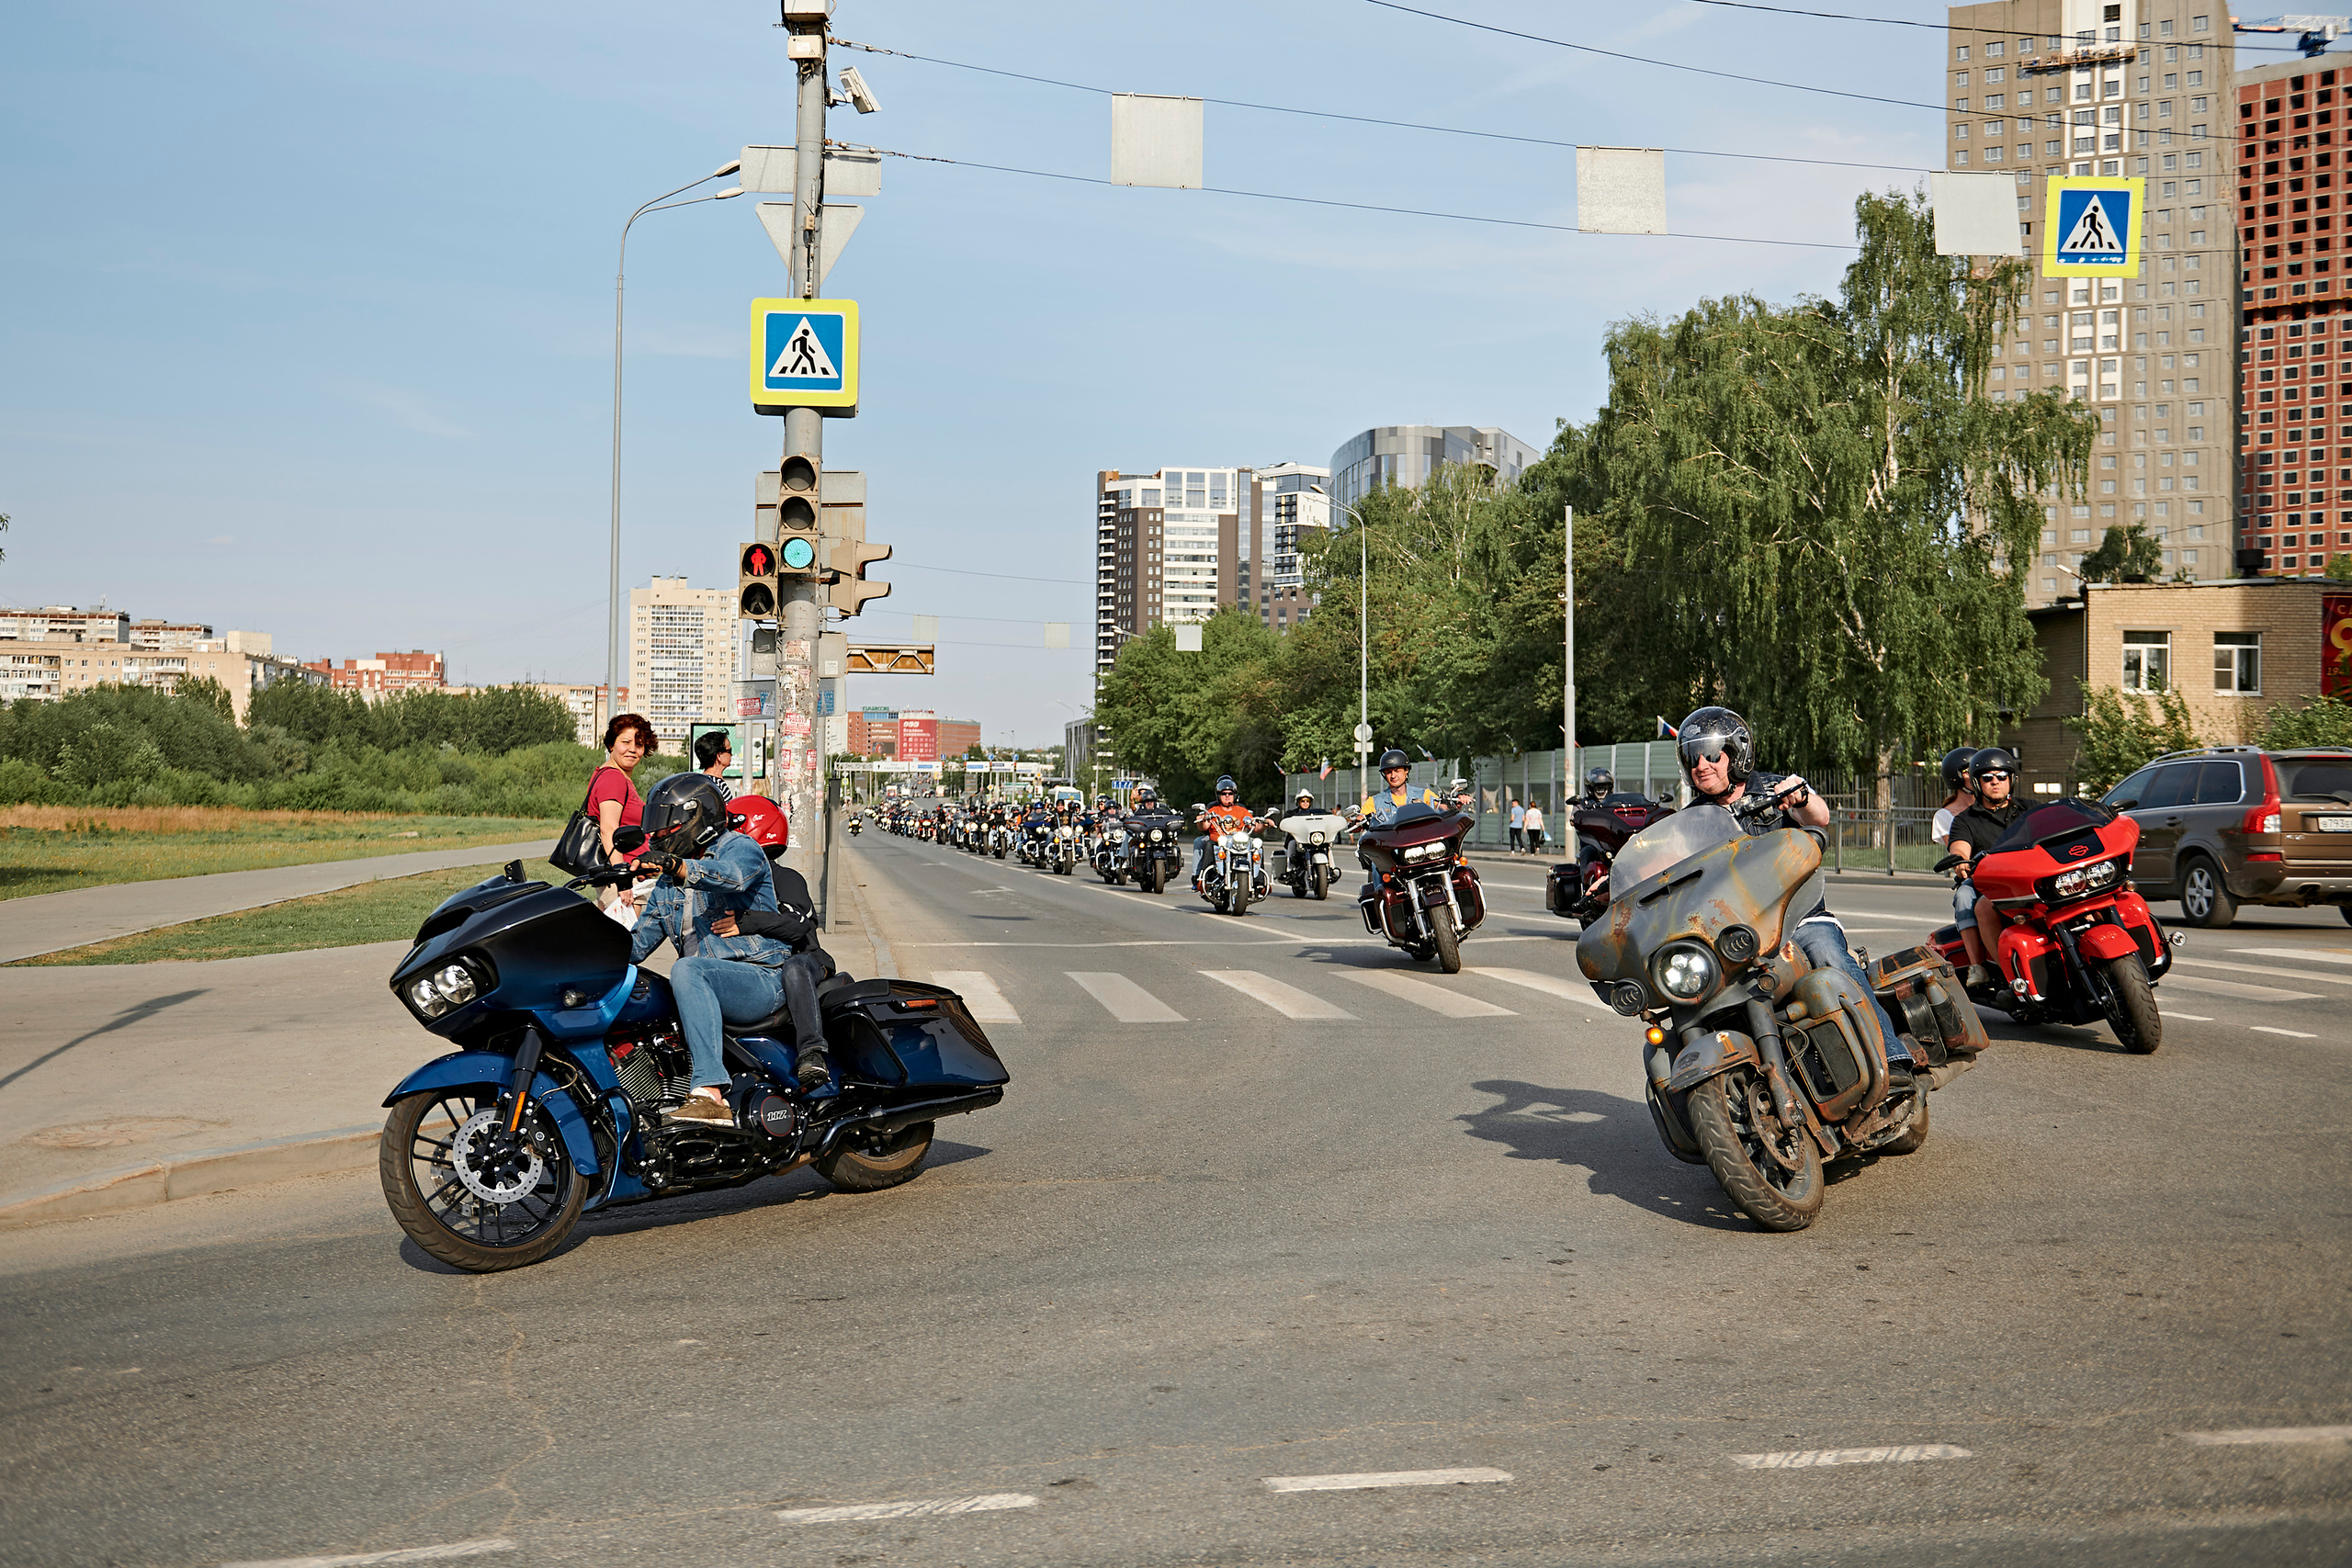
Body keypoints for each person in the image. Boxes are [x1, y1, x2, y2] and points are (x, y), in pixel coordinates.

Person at [1675, 705, 1912, 1072]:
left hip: (1799, 919)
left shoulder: (1777, 788)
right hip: (1736, 936)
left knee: (1828, 955)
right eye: (1692, 756)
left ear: (1737, 752)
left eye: (1710, 754)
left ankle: (1891, 1054)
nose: (1700, 765)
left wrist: (1800, 798)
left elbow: (1817, 816)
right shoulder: (1691, 821)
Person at [627, 776, 832, 1123]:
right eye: (656, 832)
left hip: (762, 977)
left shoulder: (738, 847)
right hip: (712, 983)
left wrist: (679, 868)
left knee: (687, 968)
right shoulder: (666, 883)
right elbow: (637, 944)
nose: (657, 838)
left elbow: (731, 876)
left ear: (696, 818)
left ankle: (711, 1094)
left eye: (665, 829)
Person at [1947, 747, 2029, 991]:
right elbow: (1959, 847)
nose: (1996, 782)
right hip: (1989, 880)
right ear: (1976, 782)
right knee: (1964, 894)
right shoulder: (1966, 819)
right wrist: (1960, 859)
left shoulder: (2029, 809)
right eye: (1988, 777)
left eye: (2002, 776)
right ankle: (1978, 966)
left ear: (2011, 779)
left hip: (2030, 874)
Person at [586, 714, 657, 915]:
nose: (632, 749)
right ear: (611, 744)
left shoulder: (614, 776)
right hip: (622, 879)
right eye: (625, 742)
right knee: (628, 943)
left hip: (625, 875)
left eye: (639, 744)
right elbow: (609, 830)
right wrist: (622, 879)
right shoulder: (613, 779)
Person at [1193, 775, 1258, 889]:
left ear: (1235, 795)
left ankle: (1259, 881)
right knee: (1208, 845)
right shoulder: (1213, 810)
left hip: (1237, 843)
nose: (1227, 796)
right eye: (1224, 794)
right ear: (1219, 796)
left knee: (1257, 845)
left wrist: (1265, 822)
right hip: (1219, 842)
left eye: (1230, 793)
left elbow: (1254, 825)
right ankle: (1206, 879)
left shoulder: (1242, 811)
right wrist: (1202, 819)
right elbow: (1204, 827)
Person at [1930, 747, 1977, 847]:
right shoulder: (1945, 816)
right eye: (1968, 771)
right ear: (1955, 776)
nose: (1975, 776)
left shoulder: (1993, 806)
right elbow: (1958, 851)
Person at [693, 730, 737, 801]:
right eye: (729, 751)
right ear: (719, 756)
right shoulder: (719, 786)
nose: (731, 755)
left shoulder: (698, 783)